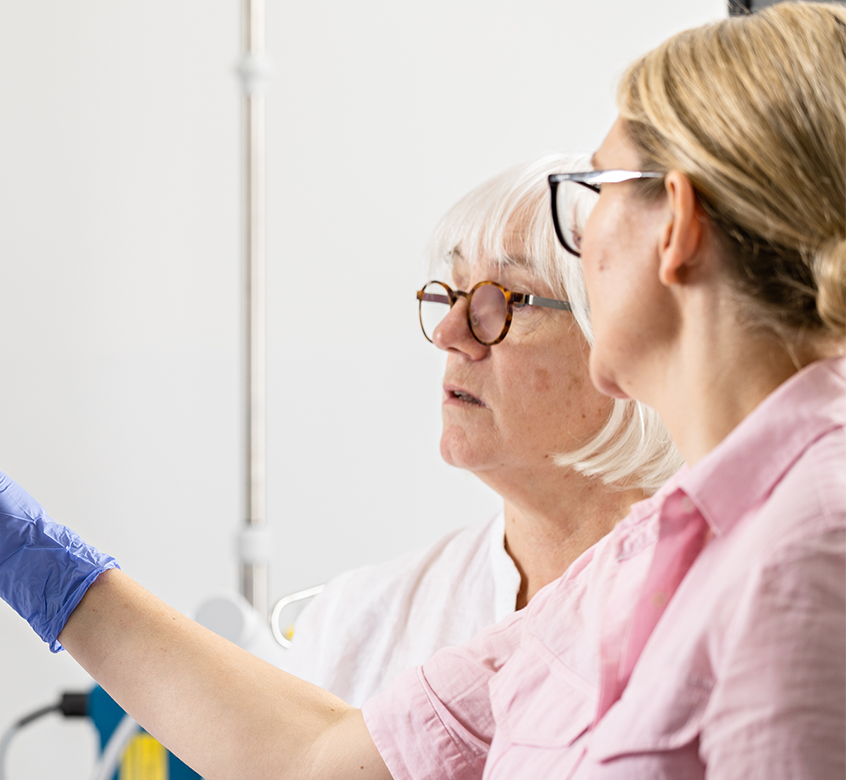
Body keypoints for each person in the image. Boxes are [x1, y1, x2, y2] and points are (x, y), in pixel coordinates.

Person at [0, 3, 846, 777]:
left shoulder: (808, 548)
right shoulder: (653, 557)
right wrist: (46, 572)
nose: (587, 235)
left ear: (675, 224)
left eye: (593, 192)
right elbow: (320, 758)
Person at [282, 154, 680, 706]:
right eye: (455, 290)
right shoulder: (357, 620)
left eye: (507, 300)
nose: (449, 332)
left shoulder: (720, 608)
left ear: (625, 344)